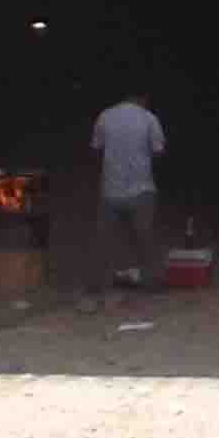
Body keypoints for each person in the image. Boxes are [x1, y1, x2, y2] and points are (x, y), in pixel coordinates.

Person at [90, 87, 168, 292]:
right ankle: (151, 282)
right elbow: (158, 151)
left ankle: (99, 282)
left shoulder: (105, 116)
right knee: (145, 238)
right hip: (141, 188)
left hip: (111, 188)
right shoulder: (149, 118)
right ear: (144, 97)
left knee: (104, 238)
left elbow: (96, 149)